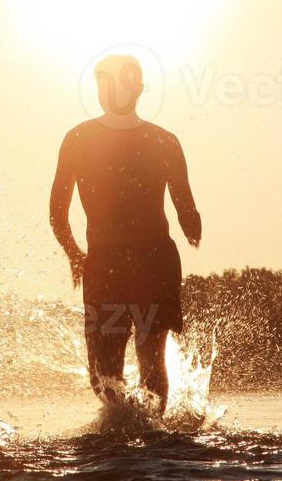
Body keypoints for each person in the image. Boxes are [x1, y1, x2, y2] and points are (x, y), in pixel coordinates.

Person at [49, 54, 201, 414]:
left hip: (111, 265)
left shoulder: (78, 138)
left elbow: (57, 212)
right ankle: (147, 434)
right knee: (143, 363)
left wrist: (74, 254)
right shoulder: (165, 141)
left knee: (106, 372)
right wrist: (193, 229)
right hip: (151, 261)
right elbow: (188, 213)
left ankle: (126, 434)